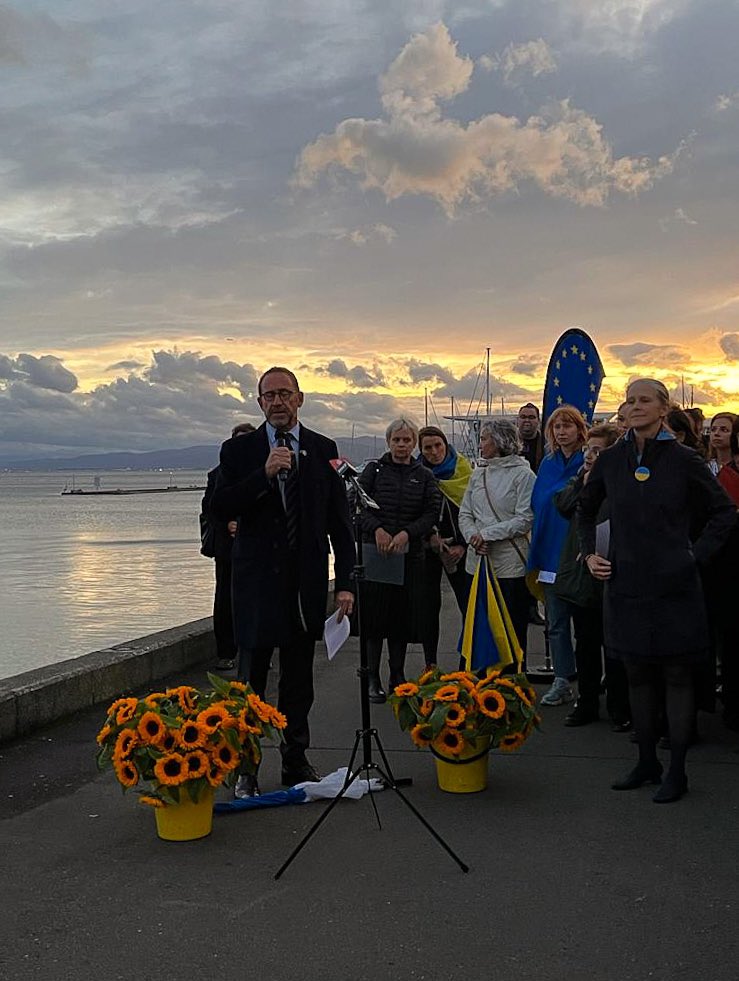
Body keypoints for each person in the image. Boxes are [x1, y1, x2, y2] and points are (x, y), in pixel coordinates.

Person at [579, 378, 735, 803]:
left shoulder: (685, 460)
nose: (636, 406)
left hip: (676, 588)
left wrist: (694, 556)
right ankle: (646, 762)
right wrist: (590, 554)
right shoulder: (611, 460)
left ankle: (678, 770)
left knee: (677, 677)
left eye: (645, 400)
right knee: (638, 676)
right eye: (630, 401)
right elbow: (585, 508)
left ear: (664, 408)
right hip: (626, 585)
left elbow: (724, 514)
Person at [212, 367, 355, 796]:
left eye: (284, 394)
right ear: (259, 404)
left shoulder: (322, 448)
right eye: (269, 396)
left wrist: (345, 582)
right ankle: (245, 767)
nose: (277, 402)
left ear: (300, 399)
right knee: (250, 681)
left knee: (298, 682)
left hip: (304, 586)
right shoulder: (239, 451)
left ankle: (295, 761)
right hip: (256, 585)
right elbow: (220, 506)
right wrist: (263, 475)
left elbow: (339, 522)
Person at [357, 419, 441, 703]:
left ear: (413, 443)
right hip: (377, 555)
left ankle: (397, 675)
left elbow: (431, 512)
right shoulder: (374, 470)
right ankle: (372, 678)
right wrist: (377, 529)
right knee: (374, 622)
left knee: (400, 621)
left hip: (409, 557)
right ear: (389, 441)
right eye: (397, 440)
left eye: (407, 440)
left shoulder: (424, 476)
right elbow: (356, 504)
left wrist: (407, 533)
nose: (402, 445)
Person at [553, 423, 630, 729]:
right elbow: (562, 505)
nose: (590, 455)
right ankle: (586, 702)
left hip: (614, 570)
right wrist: (582, 484)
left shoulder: (620, 482)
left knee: (614, 646)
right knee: (584, 643)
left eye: (597, 450)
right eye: (588, 449)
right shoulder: (581, 480)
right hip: (583, 570)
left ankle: (618, 706)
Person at [458, 418, 535, 669]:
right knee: (478, 624)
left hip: (509, 566)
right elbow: (465, 512)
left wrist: (486, 534)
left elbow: (525, 518)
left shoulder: (524, 475)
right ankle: (476, 680)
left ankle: (511, 682)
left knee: (510, 624)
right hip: (477, 562)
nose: (480, 445)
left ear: (500, 441)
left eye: (484, 439)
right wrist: (473, 536)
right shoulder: (478, 473)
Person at [528, 405, 588, 706]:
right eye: (556, 427)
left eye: (567, 426)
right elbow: (539, 502)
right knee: (556, 622)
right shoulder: (548, 463)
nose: (561, 431)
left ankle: (592, 680)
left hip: (579, 554)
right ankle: (562, 679)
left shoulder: (588, 462)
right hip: (550, 553)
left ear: (579, 429)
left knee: (589, 625)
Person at [200, 422, 255, 671]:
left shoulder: (261, 471)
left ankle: (254, 649)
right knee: (225, 599)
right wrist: (228, 526)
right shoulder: (217, 474)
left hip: (255, 546)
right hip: (226, 548)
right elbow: (210, 509)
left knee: (256, 598)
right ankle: (226, 651)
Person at [418, 426, 473, 668]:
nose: (434, 451)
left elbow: (474, 511)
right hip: (428, 548)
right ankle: (430, 664)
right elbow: (412, 512)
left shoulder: (465, 471)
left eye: (438, 445)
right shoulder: (417, 473)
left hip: (459, 549)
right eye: (427, 447)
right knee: (428, 609)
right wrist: (430, 538)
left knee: (468, 606)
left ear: (446, 444)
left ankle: (466, 664)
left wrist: (462, 545)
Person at [517, 403, 544, 473]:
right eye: (523, 417)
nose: (527, 420)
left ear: (538, 420)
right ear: (517, 420)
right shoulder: (507, 442)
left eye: (531, 417)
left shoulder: (547, 444)